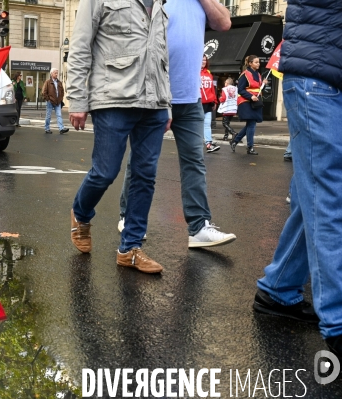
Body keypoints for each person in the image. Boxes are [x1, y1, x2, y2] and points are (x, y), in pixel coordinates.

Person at [253, 0, 342, 358]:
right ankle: (338, 321)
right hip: (317, 78)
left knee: (318, 196)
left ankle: (278, 287)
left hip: (325, 73)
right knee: (329, 196)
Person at [118, 0, 235, 249]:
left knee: (195, 161)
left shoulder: (200, 3)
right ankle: (127, 216)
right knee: (141, 158)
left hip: (190, 99)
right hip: (158, 96)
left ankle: (199, 226)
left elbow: (224, 22)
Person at [67, 0, 172, 273]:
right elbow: (80, 48)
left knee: (145, 175)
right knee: (104, 172)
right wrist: (77, 100)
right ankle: (81, 213)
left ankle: (130, 249)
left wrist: (167, 103)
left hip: (154, 103)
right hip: (113, 98)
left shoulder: (159, 5)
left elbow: (162, 57)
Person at [230, 55, 262, 155]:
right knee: (252, 124)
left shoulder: (258, 74)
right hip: (246, 102)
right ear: (250, 63)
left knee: (250, 124)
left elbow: (257, 89)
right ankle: (250, 147)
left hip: (255, 102)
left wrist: (263, 84)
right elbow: (240, 89)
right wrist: (250, 96)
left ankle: (235, 141)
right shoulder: (245, 74)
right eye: (256, 62)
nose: (258, 64)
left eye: (259, 62)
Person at [201, 55, 219, 152]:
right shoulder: (194, 72)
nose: (203, 62)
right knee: (197, 125)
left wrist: (215, 101)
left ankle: (209, 144)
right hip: (198, 103)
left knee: (207, 124)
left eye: (204, 60)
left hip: (208, 103)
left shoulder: (208, 73)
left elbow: (212, 88)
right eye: (201, 60)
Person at [42, 68, 68, 135]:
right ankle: (47, 128)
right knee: (48, 116)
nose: (56, 74)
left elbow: (62, 91)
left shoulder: (59, 82)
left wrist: (60, 98)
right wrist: (48, 99)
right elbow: (44, 92)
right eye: (55, 73)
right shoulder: (48, 82)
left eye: (57, 73)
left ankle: (61, 128)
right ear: (51, 74)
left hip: (58, 102)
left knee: (59, 115)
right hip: (50, 101)